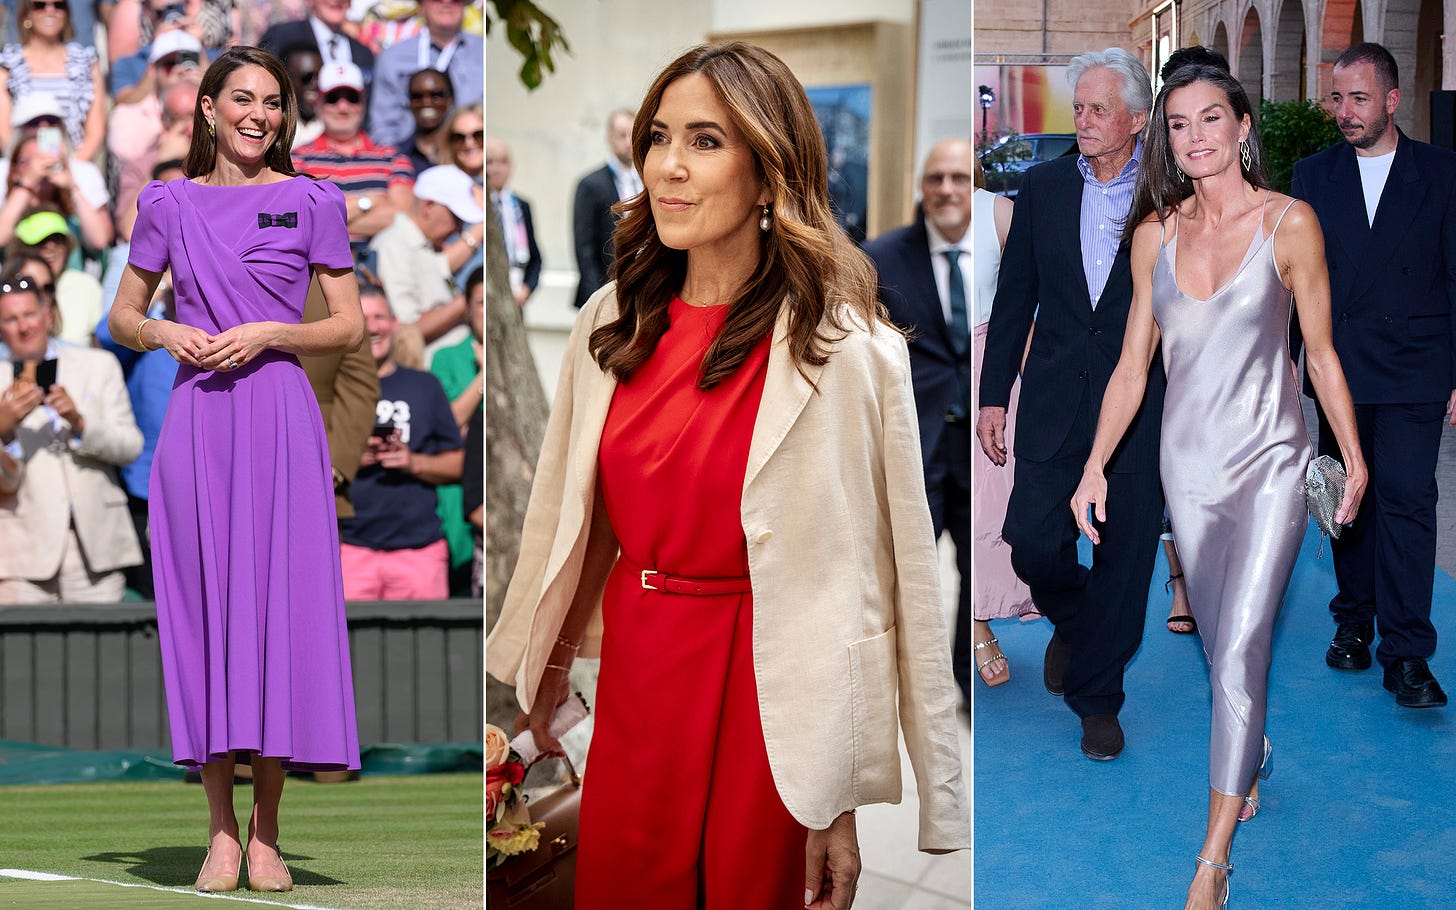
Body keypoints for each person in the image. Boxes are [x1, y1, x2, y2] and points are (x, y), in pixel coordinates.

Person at [486, 41, 969, 907]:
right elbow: (583, 520)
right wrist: (551, 667)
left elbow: (871, 582)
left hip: (772, 691)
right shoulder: (613, 321)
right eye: (658, 137)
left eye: (706, 141)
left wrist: (841, 803)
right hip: (641, 673)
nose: (668, 167)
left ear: (770, 170)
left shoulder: (846, 348)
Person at [1070, 64, 1366, 909]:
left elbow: (1320, 353)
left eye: (1210, 120)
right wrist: (1095, 464)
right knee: (1219, 649)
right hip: (1186, 472)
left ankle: (1212, 860)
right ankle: (1252, 752)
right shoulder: (1155, 236)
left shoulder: (1290, 224)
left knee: (1238, 648)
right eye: (1178, 125)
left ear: (1242, 128)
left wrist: (1352, 451)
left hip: (1273, 458)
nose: (1194, 137)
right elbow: (1132, 369)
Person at [107, 45, 365, 893]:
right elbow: (122, 313)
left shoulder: (312, 199)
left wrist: (268, 333)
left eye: (274, 102)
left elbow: (349, 326)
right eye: (243, 98)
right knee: (210, 618)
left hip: (283, 420)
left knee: (276, 620)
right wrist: (164, 333)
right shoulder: (168, 203)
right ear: (209, 109)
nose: (260, 113)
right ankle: (219, 833)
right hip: (198, 424)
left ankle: (268, 833)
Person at [977, 48, 1164, 761]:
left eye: (1097, 110)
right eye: (1077, 108)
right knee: (1031, 540)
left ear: (1137, 120)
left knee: (1123, 556)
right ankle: (1080, 621)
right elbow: (1015, 294)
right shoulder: (1044, 188)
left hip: (1141, 405)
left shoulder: (1167, 193)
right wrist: (995, 396)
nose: (1081, 121)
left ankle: (1097, 699)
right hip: (1053, 396)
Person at [1291, 42, 1456, 709]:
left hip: (1418, 366)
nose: (1344, 111)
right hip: (1341, 366)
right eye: (1336, 98)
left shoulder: (1443, 173)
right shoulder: (1312, 176)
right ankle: (1353, 620)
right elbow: (1295, 280)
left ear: (1391, 99)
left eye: (1358, 98)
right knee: (1346, 503)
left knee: (1409, 502)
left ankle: (1408, 653)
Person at [862, 138, 976, 697]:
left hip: (985, 443)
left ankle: (966, 675)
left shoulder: (1003, 250)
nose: (947, 189)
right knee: (905, 572)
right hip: (914, 444)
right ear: (921, 188)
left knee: (978, 567)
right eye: (936, 179)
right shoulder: (880, 259)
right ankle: (902, 682)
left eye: (959, 177)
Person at [0, 276, 143, 604]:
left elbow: (131, 447)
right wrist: (3, 431)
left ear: (48, 315)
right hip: (21, 554)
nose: (24, 327)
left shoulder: (98, 365)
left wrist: (81, 423)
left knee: (104, 654)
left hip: (97, 545)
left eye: (30, 314)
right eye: (11, 319)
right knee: (23, 655)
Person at [339, 286, 462, 600]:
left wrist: (413, 462)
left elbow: (459, 464)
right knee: (350, 647)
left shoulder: (425, 386)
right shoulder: (332, 389)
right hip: (349, 550)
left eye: (380, 317)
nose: (372, 327)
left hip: (419, 552)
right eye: (363, 318)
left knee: (428, 648)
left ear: (394, 324)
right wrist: (348, 461)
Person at [968, 155, 1027, 685]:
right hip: (925, 364)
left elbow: (1033, 292)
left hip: (990, 366)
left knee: (995, 502)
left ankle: (984, 609)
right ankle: (976, 623)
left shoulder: (998, 213)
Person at [291, 60, 413, 247]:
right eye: (333, 98)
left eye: (351, 98)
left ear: (363, 101)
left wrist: (325, 219)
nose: (343, 107)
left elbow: (403, 218)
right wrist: (366, 203)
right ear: (318, 103)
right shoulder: (297, 160)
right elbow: (297, 221)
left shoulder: (393, 159)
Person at [366, 0, 481, 148]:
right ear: (421, 5)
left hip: (467, 158)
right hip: (408, 159)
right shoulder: (393, 58)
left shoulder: (483, 53)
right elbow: (382, 127)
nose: (446, 2)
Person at [0, 0, 105, 160]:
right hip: (23, 166)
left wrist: (71, 168)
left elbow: (96, 129)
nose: (50, 11)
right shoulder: (8, 63)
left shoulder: (86, 62)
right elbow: (3, 129)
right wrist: (27, 166)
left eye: (59, 5)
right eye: (39, 5)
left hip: (74, 163)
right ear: (27, 13)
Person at [571, 107, 637, 308]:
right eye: (621, 135)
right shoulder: (590, 184)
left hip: (641, 289)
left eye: (632, 135)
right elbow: (584, 248)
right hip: (604, 290)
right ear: (609, 138)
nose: (628, 142)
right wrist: (597, 298)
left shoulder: (646, 181)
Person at [485, 135, 540, 306]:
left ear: (510, 167)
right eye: (490, 162)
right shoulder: (478, 205)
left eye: (502, 162)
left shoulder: (521, 206)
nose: (496, 169)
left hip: (515, 296)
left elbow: (535, 257)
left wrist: (527, 288)